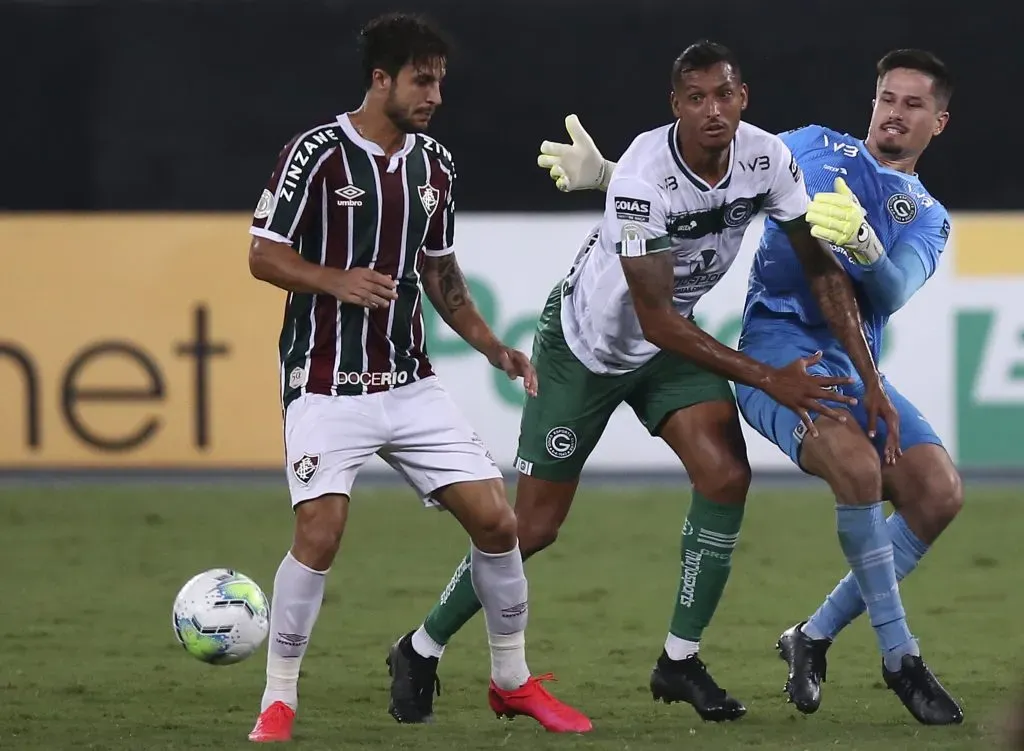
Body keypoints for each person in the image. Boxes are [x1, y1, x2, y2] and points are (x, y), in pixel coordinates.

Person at [387, 40, 895, 726]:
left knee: (724, 476)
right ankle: (420, 646)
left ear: (743, 98)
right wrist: (771, 378)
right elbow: (653, 319)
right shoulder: (642, 176)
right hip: (585, 349)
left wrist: (872, 380)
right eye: (697, 98)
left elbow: (821, 268)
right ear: (675, 107)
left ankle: (678, 661)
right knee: (530, 527)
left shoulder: (766, 158)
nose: (713, 110)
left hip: (669, 346)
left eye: (725, 94)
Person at [533, 48, 964, 726]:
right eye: (887, 98)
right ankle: (900, 657)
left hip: (853, 366)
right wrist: (610, 177)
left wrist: (865, 247)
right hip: (778, 353)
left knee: (939, 491)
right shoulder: (811, 146)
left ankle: (811, 636)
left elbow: (894, 288)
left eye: (913, 105)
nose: (895, 113)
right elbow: (709, 186)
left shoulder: (930, 216)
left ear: (938, 122)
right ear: (873, 102)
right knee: (855, 468)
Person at [245, 13, 591, 742]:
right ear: (381, 80)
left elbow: (440, 271)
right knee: (322, 527)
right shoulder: (315, 153)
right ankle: (278, 698)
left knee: (499, 520)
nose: (434, 93)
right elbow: (263, 253)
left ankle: (511, 681)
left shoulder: (435, 163)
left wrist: (495, 347)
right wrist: (334, 280)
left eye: (440, 80)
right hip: (325, 380)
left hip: (409, 382)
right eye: (421, 80)